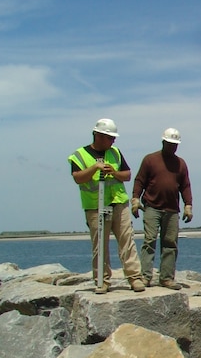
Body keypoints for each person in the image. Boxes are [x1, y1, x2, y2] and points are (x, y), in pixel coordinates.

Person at [69, 118, 146, 293]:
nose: (113, 141)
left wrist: (114, 172)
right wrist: (95, 168)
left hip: (118, 202)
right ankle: (102, 280)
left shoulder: (116, 153)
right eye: (110, 138)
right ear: (98, 135)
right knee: (100, 244)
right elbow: (77, 177)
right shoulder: (80, 155)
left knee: (127, 240)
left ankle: (134, 277)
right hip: (95, 205)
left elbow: (126, 175)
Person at [131, 127, 193, 289]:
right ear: (163, 142)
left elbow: (185, 186)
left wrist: (188, 205)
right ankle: (145, 277)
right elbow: (139, 181)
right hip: (152, 207)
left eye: (175, 144)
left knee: (170, 243)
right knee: (149, 241)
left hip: (172, 210)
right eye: (169, 143)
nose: (172, 147)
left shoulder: (180, 164)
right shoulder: (150, 160)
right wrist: (135, 199)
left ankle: (166, 278)